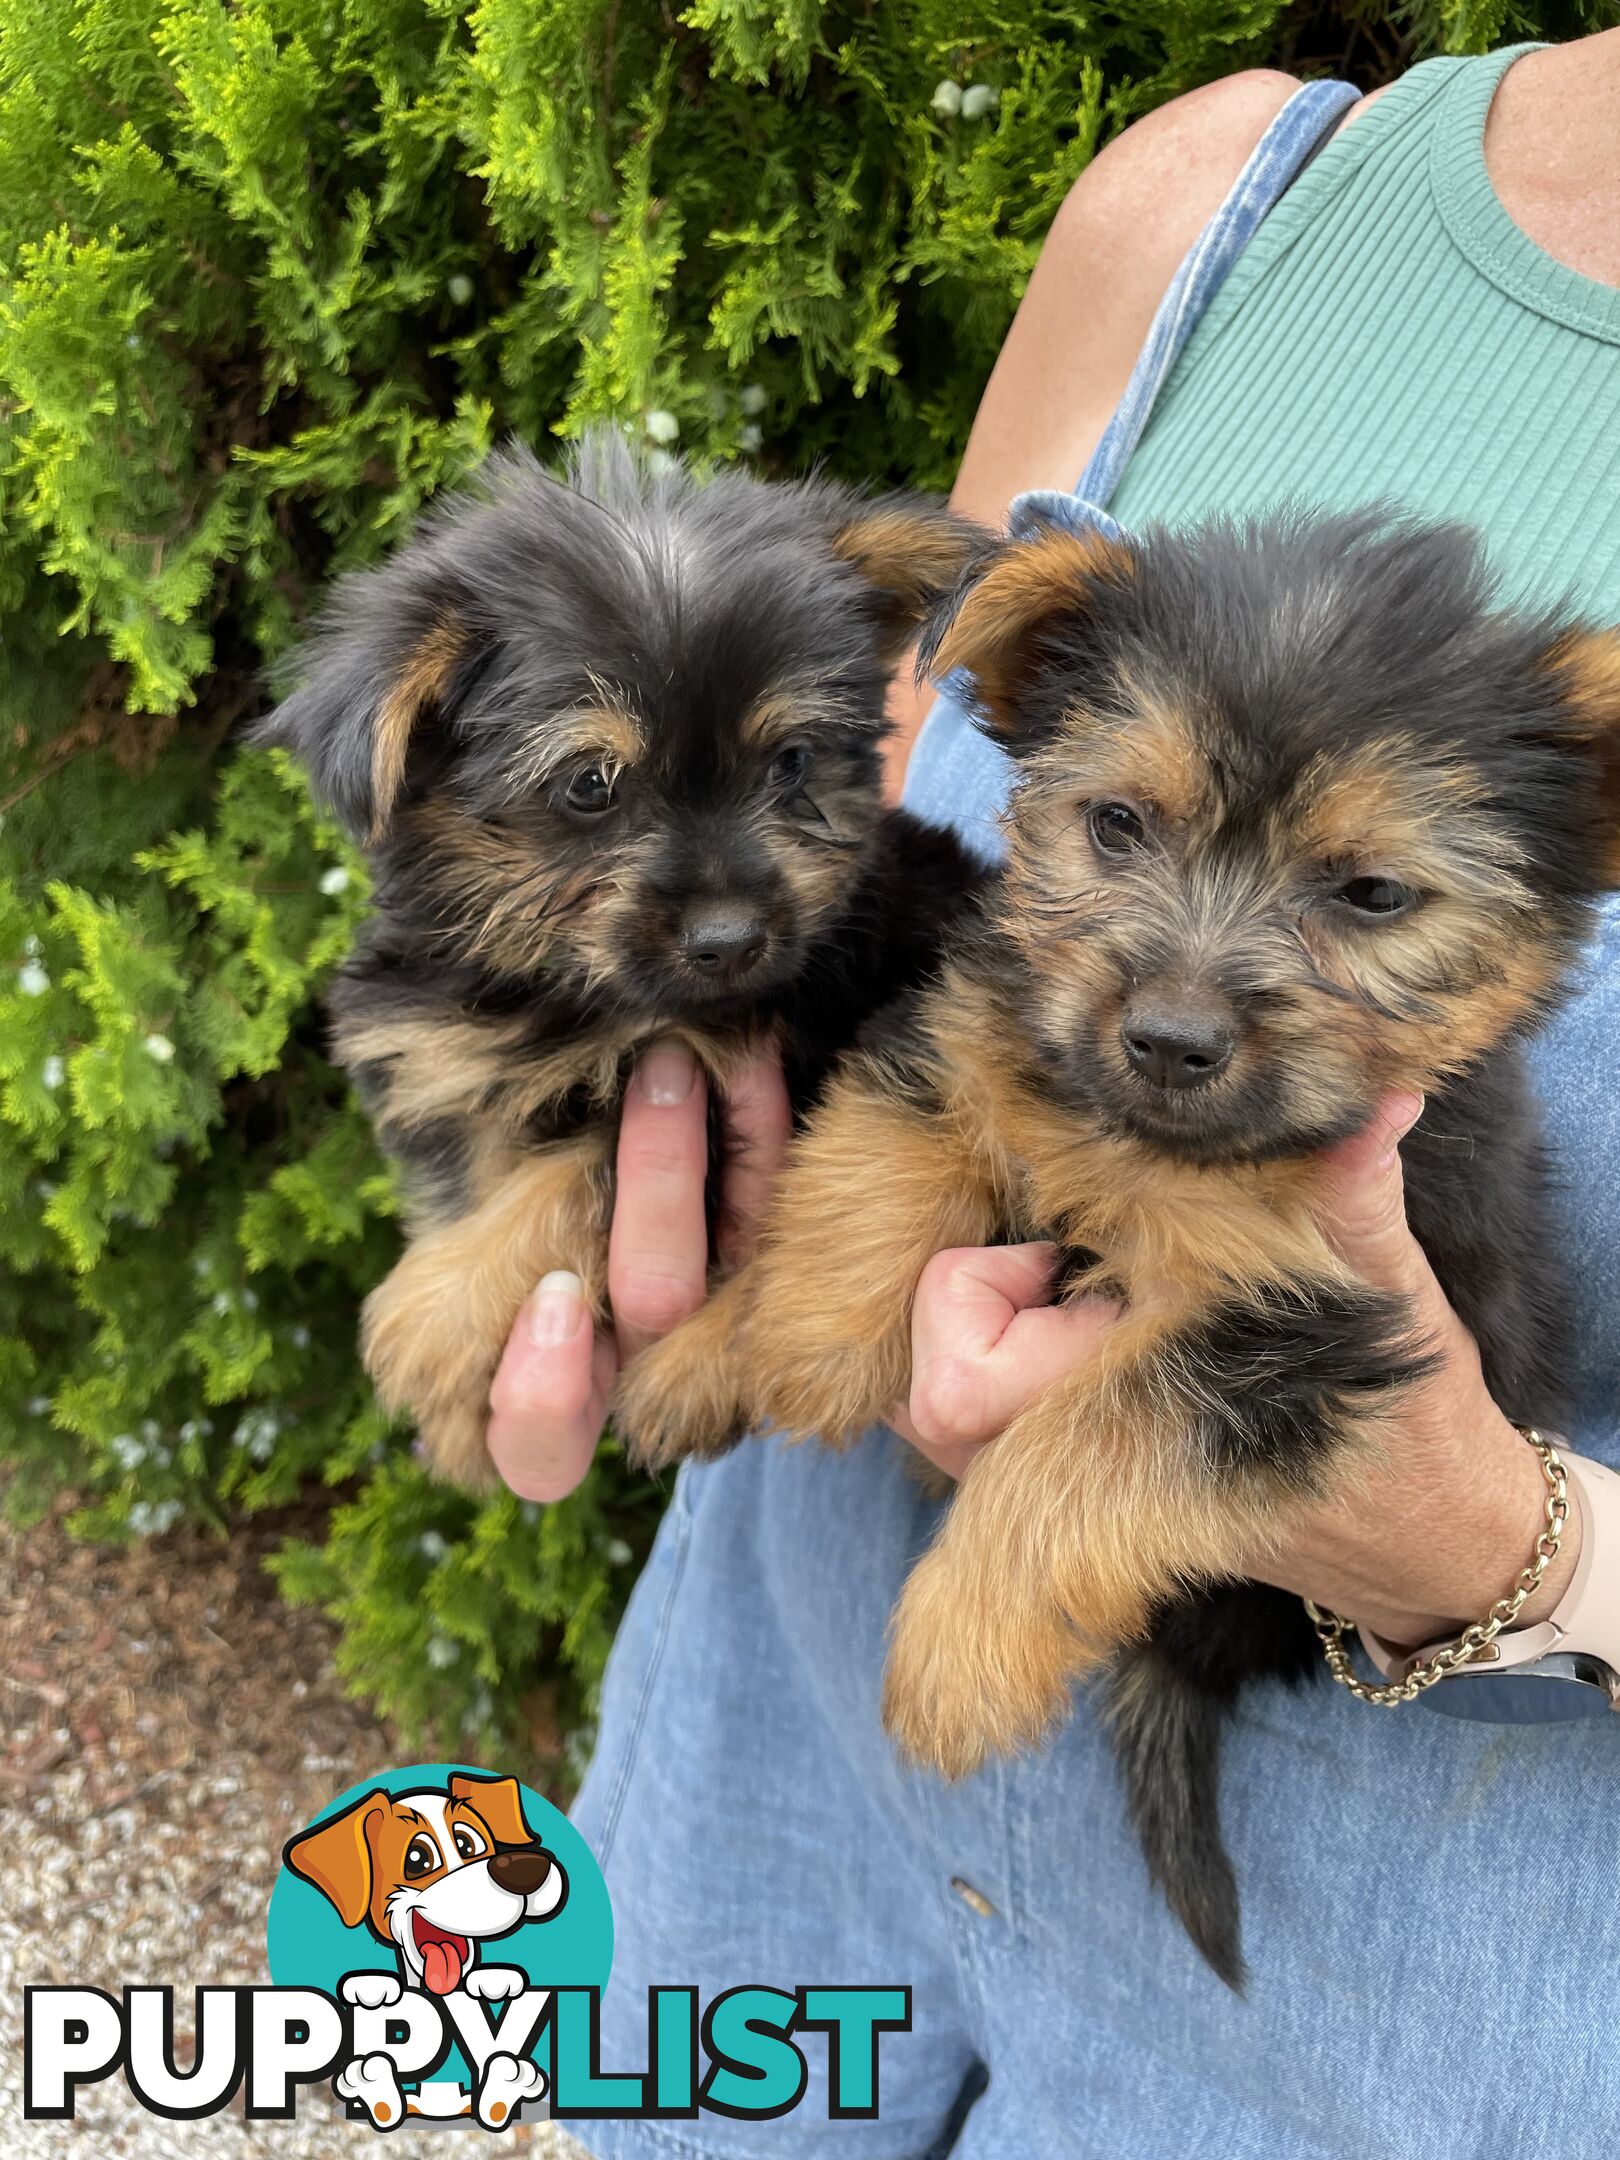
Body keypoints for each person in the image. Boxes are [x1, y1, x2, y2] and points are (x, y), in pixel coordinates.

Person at [485, 35, 1620, 2156]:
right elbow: (870, 878)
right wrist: (601, 1154)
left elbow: (1307, 1376)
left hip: (1382, 2017)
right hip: (774, 1799)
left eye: (1368, 892)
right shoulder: (1216, 200)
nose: (1190, 997)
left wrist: (1512, 1545)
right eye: (1117, 834)